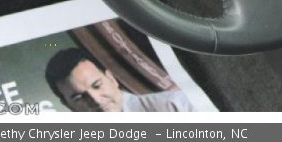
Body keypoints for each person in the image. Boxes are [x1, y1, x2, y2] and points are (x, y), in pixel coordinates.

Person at [45, 48, 194, 112]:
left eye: (97, 85)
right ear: (68, 105)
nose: (96, 100)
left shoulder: (174, 105)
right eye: (79, 97)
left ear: (111, 78)